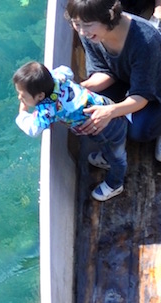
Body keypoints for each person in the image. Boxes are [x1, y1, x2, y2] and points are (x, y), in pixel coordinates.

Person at [66, 0, 161, 164]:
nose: (83, 32)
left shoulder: (145, 42)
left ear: (109, 17)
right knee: (89, 101)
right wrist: (78, 88)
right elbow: (104, 72)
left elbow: (141, 96)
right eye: (77, 24)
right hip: (126, 77)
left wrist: (111, 111)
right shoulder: (90, 33)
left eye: (88, 25)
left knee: (138, 131)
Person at [14, 61, 129, 201]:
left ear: (40, 96)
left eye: (23, 96)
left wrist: (22, 112)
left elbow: (32, 129)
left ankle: (116, 184)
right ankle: (107, 157)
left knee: (117, 157)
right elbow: (67, 70)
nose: (20, 98)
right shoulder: (57, 77)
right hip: (105, 105)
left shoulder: (48, 110)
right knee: (110, 149)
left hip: (107, 130)